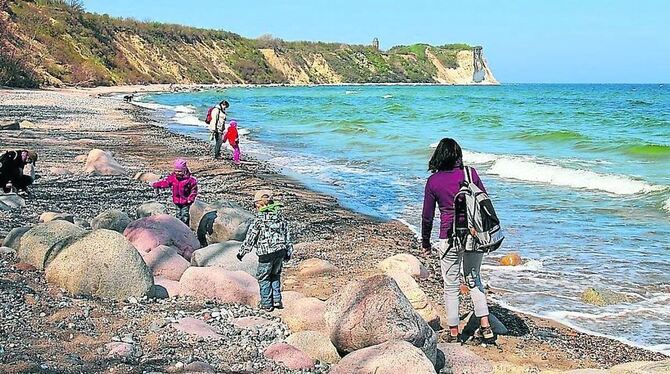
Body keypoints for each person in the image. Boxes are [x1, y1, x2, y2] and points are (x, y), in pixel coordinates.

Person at [421, 138, 494, 343]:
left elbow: (427, 216)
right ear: (458, 155)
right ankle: (486, 327)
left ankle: (454, 333)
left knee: (451, 285)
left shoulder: (433, 181)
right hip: (474, 235)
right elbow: (484, 203)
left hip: (449, 237)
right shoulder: (470, 173)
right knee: (474, 280)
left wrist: (425, 241)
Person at [237, 189, 293, 312]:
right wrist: (289, 251)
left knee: (263, 277)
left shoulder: (259, 220)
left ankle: (267, 304)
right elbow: (287, 236)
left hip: (266, 253)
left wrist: (242, 252)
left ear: (258, 204)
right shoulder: (281, 218)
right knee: (275, 274)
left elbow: (251, 238)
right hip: (280, 251)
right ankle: (277, 300)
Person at [152, 158, 198, 225]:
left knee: (185, 215)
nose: (177, 173)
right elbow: (165, 183)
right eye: (176, 171)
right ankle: (179, 226)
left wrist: (190, 199)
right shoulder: (173, 178)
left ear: (184, 170)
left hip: (186, 201)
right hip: (176, 200)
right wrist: (156, 185)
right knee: (178, 215)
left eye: (180, 171)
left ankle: (185, 227)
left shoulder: (190, 180)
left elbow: (194, 190)